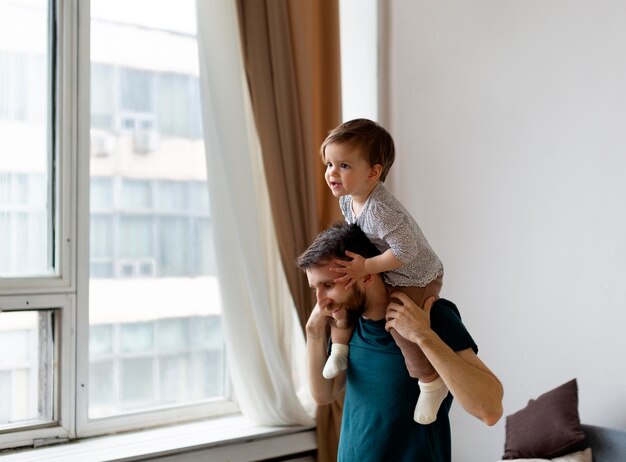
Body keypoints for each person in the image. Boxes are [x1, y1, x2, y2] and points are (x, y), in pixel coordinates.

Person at [298, 223, 503, 461]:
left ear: (365, 276)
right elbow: (323, 394)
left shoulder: (431, 316)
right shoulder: (349, 322)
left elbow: (490, 410)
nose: (320, 301)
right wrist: (313, 333)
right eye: (315, 289)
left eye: (329, 285)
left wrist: (422, 336)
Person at [320, 118, 446, 424]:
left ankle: (430, 382)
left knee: (396, 320)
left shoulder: (382, 210)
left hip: (417, 275)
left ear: (373, 172)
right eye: (329, 164)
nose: (332, 173)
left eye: (344, 166)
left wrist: (366, 266)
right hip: (386, 270)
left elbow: (406, 252)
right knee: (347, 292)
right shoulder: (349, 202)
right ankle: (339, 347)